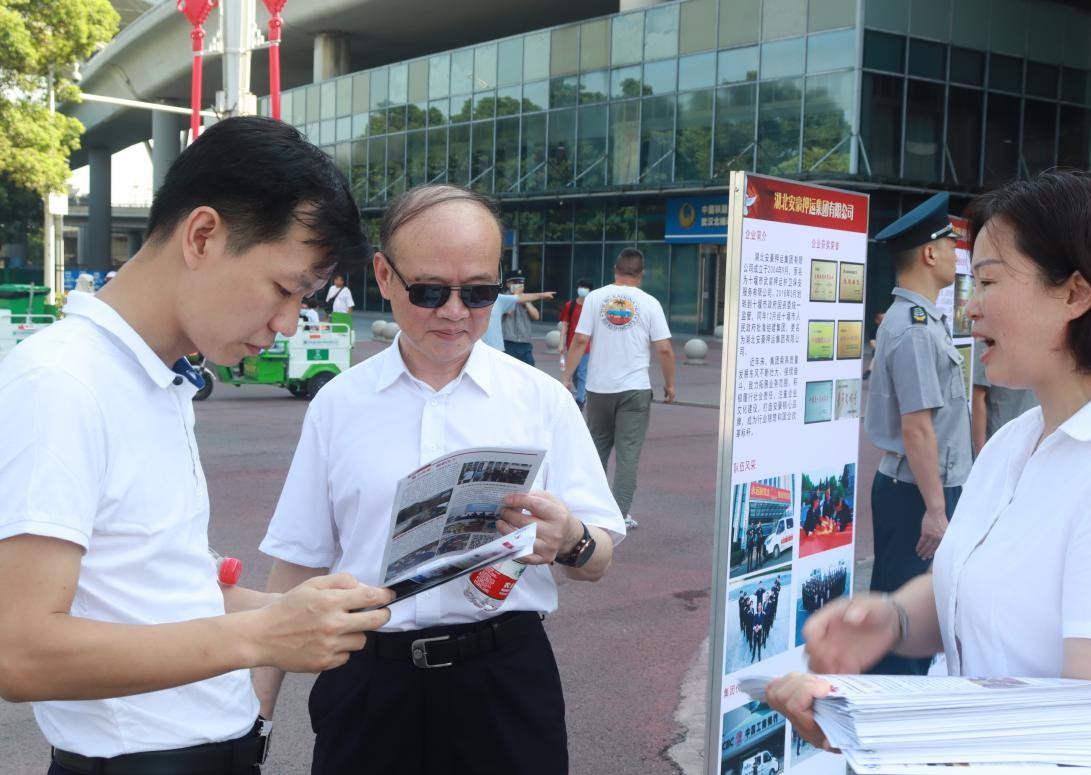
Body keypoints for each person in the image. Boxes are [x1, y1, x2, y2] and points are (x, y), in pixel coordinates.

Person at [0, 116, 393, 775]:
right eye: (283, 289)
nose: (285, 323)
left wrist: (303, 610)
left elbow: (152, 592)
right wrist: (264, 633)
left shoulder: (156, 379)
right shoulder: (63, 382)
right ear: (203, 234)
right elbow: (19, 648)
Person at [764, 171, 1091, 770]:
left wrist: (874, 725)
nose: (969, 305)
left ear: (1077, 293)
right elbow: (982, 584)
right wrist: (893, 619)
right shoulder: (1015, 441)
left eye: (991, 281)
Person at [252, 184, 625, 775]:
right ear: (383, 274)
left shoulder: (540, 401)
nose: (454, 312)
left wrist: (572, 540)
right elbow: (297, 561)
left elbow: (598, 555)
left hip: (504, 678)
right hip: (368, 679)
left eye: (478, 292)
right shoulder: (339, 404)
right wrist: (258, 711)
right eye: (428, 291)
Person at [863, 191, 972, 674]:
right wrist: (935, 509)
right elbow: (918, 430)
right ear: (930, 254)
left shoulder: (919, 320)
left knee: (911, 621)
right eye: (950, 245)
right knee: (902, 631)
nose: (955, 255)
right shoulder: (914, 328)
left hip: (920, 489)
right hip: (917, 494)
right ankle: (881, 730)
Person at [564, 248, 676, 531]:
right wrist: (670, 384)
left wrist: (566, 377)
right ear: (641, 274)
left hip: (598, 388)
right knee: (628, 455)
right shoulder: (650, 303)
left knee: (597, 449)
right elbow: (664, 348)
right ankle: (619, 515)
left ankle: (590, 510)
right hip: (634, 389)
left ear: (616, 269)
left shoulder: (594, 297)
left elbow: (579, 341)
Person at [970, 338, 1038, 456]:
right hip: (1028, 437)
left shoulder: (988, 334)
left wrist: (981, 457)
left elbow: (977, 398)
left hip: (1007, 440)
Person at [558, 277, 594, 409]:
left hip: (587, 345)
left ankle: (580, 399)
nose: (582, 290)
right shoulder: (570, 305)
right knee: (573, 372)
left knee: (582, 372)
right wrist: (561, 343)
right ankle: (582, 393)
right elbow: (565, 325)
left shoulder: (592, 307)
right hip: (571, 344)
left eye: (586, 288)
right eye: (581, 287)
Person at [500, 268, 541, 366]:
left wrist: (526, 302)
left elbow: (536, 316)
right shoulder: (503, 298)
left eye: (521, 282)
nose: (519, 284)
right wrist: (515, 298)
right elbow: (507, 312)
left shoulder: (526, 299)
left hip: (524, 342)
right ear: (508, 284)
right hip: (508, 342)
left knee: (529, 370)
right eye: (515, 282)